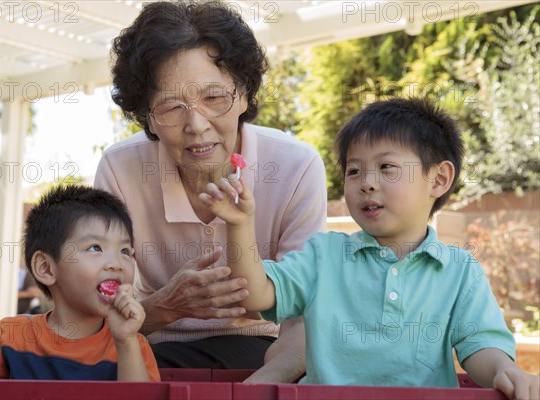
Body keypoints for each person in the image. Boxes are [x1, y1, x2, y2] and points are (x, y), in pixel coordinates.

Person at [200, 97, 539, 398]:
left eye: (386, 167)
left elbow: (480, 345)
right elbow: (253, 295)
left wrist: (501, 370)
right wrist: (240, 225)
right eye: (354, 171)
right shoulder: (324, 255)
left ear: (438, 179)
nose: (367, 183)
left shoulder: (460, 270)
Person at [94, 0, 327, 382]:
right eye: (171, 107)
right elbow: (100, 308)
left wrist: (259, 386)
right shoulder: (121, 170)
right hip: (151, 350)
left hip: (264, 353)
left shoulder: (295, 166)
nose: (197, 125)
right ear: (146, 115)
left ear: (245, 94)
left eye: (214, 98)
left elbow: (306, 315)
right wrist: (165, 306)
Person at [0, 185, 160, 381]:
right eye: (95, 248)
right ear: (46, 268)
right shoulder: (10, 337)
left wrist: (125, 343)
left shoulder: (133, 345)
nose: (116, 264)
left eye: (125, 251)